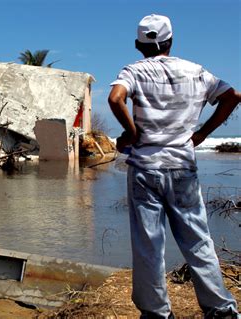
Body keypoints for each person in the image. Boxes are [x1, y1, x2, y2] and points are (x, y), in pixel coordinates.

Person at [108, 14, 240, 319]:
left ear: (138, 45)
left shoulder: (134, 71)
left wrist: (131, 133)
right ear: (170, 42)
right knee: (197, 241)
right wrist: (203, 134)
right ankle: (221, 310)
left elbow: (116, 98)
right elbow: (232, 96)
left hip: (145, 169)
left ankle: (156, 312)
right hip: (183, 168)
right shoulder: (195, 71)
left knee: (149, 245)